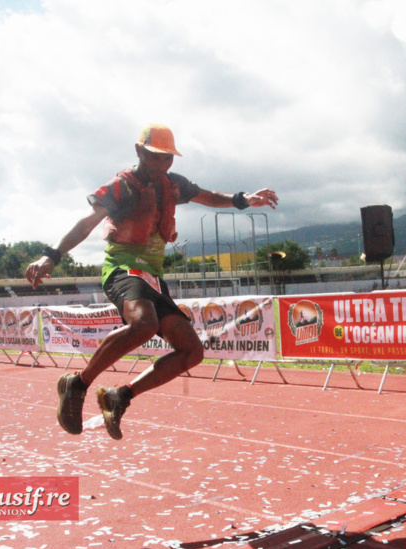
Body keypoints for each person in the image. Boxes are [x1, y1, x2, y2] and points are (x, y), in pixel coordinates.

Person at [24, 123, 278, 440]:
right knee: (143, 324)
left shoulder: (173, 185)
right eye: (156, 157)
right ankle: (77, 384)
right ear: (140, 151)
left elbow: (210, 197)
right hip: (124, 268)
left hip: (153, 276)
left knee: (192, 352)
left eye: (168, 159)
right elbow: (87, 222)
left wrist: (244, 199)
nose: (162, 165)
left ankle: (121, 395)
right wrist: (51, 255)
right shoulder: (122, 187)